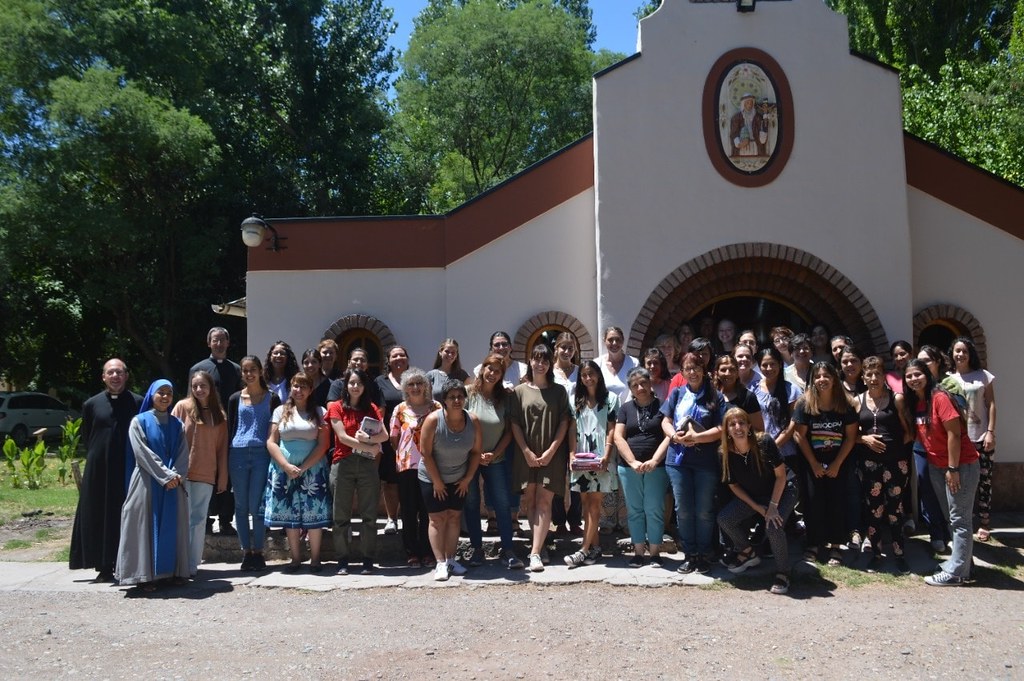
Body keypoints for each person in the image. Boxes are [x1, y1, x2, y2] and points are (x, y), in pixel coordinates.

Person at [903, 359, 981, 586]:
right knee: (950, 517)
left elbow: (954, 434)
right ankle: (964, 564)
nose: (913, 379)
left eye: (918, 374)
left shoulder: (939, 397)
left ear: (927, 375)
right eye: (909, 376)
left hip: (960, 466)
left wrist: (953, 468)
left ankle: (957, 572)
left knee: (959, 519)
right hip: (938, 467)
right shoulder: (917, 402)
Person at [69, 359, 144, 582]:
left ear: (126, 376)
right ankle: (103, 566)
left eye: (119, 372)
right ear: (103, 377)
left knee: (125, 513)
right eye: (110, 372)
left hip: (126, 468)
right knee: (99, 514)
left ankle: (126, 564)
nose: (115, 376)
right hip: (99, 470)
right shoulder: (91, 404)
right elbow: (87, 436)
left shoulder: (138, 402)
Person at [115, 379, 190, 591]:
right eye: (161, 392)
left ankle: (170, 573)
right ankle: (144, 576)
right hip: (147, 481)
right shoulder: (138, 422)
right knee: (143, 526)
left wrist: (176, 476)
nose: (165, 397)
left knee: (174, 526)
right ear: (151, 395)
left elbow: (183, 454)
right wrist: (166, 476)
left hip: (173, 483)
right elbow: (142, 453)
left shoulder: (178, 425)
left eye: (169, 393)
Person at [717, 407, 796, 595]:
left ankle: (783, 572)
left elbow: (781, 476)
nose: (738, 427)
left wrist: (772, 507)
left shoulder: (764, 442)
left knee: (773, 525)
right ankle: (747, 552)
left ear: (749, 426)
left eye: (741, 422)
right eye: (732, 424)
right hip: (754, 496)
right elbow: (734, 485)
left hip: (784, 490)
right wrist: (758, 508)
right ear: (727, 430)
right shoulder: (724, 453)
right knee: (725, 518)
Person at [661, 352, 725, 574]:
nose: (692, 372)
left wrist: (697, 437)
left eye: (696, 367)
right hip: (678, 461)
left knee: (704, 510)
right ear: (682, 372)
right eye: (687, 368)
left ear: (704, 370)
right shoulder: (677, 393)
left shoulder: (715, 396)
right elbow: (666, 420)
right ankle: (690, 554)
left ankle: (705, 553)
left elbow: (721, 428)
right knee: (683, 510)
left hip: (705, 461)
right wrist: (674, 436)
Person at [510, 344, 571, 572]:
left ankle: (534, 553)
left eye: (545, 360)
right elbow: (514, 423)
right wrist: (526, 451)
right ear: (530, 361)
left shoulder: (559, 391)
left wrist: (551, 451)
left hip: (551, 455)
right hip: (525, 454)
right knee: (531, 501)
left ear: (550, 364)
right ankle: (541, 545)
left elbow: (564, 423)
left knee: (545, 501)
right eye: (536, 359)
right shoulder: (519, 391)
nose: (540, 364)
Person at [792, 361, 858, 566]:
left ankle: (836, 546)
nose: (822, 380)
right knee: (813, 502)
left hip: (838, 462)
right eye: (818, 376)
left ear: (834, 379)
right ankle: (813, 544)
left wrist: (837, 463)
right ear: (812, 380)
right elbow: (799, 435)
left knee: (837, 502)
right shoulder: (804, 404)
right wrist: (814, 463)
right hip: (812, 463)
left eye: (826, 376)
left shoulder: (845, 404)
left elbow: (851, 437)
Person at [265, 373, 331, 572]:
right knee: (290, 515)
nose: (298, 390)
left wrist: (303, 468)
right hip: (284, 470)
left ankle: (315, 559)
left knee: (314, 514)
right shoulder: (279, 411)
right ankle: (295, 559)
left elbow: (323, 444)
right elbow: (271, 442)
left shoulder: (320, 411)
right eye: (295, 386)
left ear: (311, 390)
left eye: (303, 387)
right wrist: (286, 466)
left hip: (313, 470)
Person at [327, 368, 389, 575]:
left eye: (359, 383)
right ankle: (342, 560)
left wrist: (370, 441)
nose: (355, 387)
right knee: (340, 516)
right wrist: (368, 447)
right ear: (345, 385)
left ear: (364, 387)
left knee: (369, 515)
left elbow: (384, 435)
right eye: (352, 383)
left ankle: (367, 559)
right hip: (343, 463)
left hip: (366, 465)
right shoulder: (336, 407)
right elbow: (342, 437)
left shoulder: (371, 407)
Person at [464, 354, 523, 569]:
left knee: (502, 503)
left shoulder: (505, 397)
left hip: (496, 458)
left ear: (501, 375)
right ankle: (476, 549)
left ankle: (508, 550)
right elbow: (458, 425)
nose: (492, 374)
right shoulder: (468, 393)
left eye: (497, 371)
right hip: (469, 458)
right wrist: (475, 453)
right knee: (471, 503)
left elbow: (509, 431)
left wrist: (495, 453)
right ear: (482, 369)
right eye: (490, 368)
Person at [419, 379, 482, 581]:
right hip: (432, 478)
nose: (456, 400)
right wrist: (437, 482)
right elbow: (425, 453)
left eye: (460, 396)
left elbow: (476, 452)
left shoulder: (473, 420)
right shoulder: (433, 420)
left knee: (454, 517)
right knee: (437, 519)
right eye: (452, 397)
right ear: (444, 400)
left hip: (459, 479)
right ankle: (440, 563)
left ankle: (451, 560)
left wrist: (467, 479)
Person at [854, 357, 912, 574]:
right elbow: (850, 436)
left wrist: (894, 449)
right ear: (863, 378)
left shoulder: (896, 399)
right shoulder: (857, 401)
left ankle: (899, 553)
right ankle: (877, 554)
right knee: (874, 509)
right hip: (869, 464)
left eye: (877, 373)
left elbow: (909, 431)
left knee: (895, 509)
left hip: (895, 463)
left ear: (883, 375)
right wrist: (864, 439)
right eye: (869, 374)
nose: (873, 378)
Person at [171, 371, 228, 576]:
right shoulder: (182, 407)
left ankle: (193, 563)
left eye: (203, 385)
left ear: (211, 388)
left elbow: (222, 449)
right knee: (182, 518)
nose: (199, 389)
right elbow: (170, 437)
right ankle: (178, 562)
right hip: (182, 473)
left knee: (199, 519)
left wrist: (223, 476)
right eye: (195, 386)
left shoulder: (219, 415)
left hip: (206, 473)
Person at [564, 361, 620, 568]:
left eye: (592, 374)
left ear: (598, 375)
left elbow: (612, 429)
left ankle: (583, 549)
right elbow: (571, 429)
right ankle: (595, 548)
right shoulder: (575, 400)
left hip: (601, 457)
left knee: (595, 504)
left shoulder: (611, 399)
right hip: (580, 457)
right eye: (584, 375)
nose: (588, 378)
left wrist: (607, 455)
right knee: (586, 504)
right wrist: (571, 455)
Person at [227, 355, 281, 572]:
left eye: (252, 370)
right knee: (240, 505)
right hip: (238, 453)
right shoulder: (235, 399)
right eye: (245, 370)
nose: (249, 374)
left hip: (261, 454)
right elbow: (230, 427)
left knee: (257, 505)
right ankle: (246, 552)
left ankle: (258, 551)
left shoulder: (272, 398)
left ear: (260, 371)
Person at [615, 367, 670, 567]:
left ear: (650, 383)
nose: (640, 388)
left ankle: (655, 553)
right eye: (635, 385)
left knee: (654, 508)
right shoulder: (625, 409)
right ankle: (638, 552)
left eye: (643, 383)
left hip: (657, 467)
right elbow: (618, 437)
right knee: (635, 510)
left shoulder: (663, 406)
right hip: (629, 468)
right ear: (630, 388)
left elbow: (668, 436)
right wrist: (632, 462)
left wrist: (654, 460)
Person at [189, 328, 240, 537]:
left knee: (227, 474)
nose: (218, 344)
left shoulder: (236, 370)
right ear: (208, 343)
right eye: (215, 340)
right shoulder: (198, 369)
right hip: (206, 428)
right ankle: (207, 520)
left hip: (229, 428)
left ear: (228, 343)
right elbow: (192, 399)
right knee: (207, 472)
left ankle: (226, 520)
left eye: (222, 340)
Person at [389, 368, 440, 568]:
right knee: (409, 510)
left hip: (430, 465)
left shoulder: (436, 407)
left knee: (428, 510)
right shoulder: (400, 409)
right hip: (407, 466)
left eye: (419, 383)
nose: (416, 387)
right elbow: (394, 438)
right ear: (405, 388)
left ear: (426, 386)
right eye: (411, 384)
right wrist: (407, 455)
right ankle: (411, 552)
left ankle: (428, 551)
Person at [949, 336, 996, 542]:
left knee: (984, 481)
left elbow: (991, 404)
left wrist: (991, 431)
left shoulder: (983, 376)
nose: (960, 354)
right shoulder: (947, 379)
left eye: (964, 351)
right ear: (952, 353)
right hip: (959, 439)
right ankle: (963, 522)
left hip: (981, 437)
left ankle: (984, 522)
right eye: (957, 350)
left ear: (970, 354)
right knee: (960, 484)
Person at [376, 346, 410, 536]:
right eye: (394, 356)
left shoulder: (414, 378)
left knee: (410, 480)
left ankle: (410, 518)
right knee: (390, 481)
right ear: (388, 360)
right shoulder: (380, 382)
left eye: (402, 355)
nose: (399, 358)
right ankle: (392, 519)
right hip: (389, 439)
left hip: (412, 441)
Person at [714, 354, 764, 432]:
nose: (728, 373)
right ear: (717, 374)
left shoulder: (748, 397)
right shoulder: (710, 396)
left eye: (732, 370)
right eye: (723, 370)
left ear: (737, 373)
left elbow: (759, 430)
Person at [597, 326, 639, 402]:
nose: (614, 343)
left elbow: (636, 388)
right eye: (610, 340)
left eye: (618, 339)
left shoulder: (633, 363)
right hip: (603, 408)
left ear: (623, 341)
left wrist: (625, 408)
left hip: (628, 408)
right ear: (604, 341)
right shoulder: (597, 364)